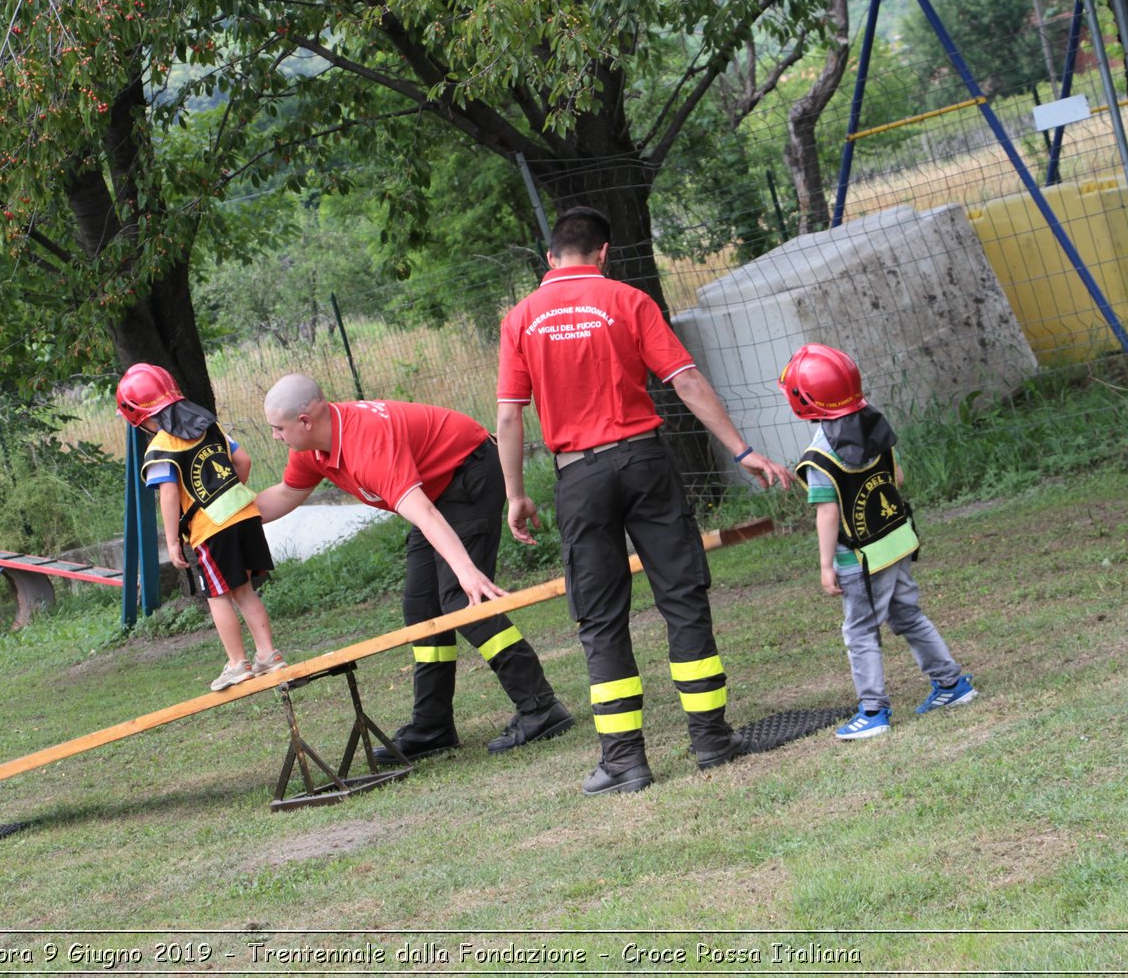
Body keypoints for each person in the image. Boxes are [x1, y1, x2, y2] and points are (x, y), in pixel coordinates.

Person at [496, 205, 793, 796]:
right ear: (603, 253)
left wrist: (516, 495)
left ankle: (625, 762)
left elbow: (509, 416)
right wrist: (743, 451)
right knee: (681, 597)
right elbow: (684, 380)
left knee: (601, 619)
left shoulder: (521, 319)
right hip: (644, 462)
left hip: (578, 476)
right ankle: (711, 739)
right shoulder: (628, 301)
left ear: (550, 258)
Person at [255, 374, 574, 764]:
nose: (275, 437)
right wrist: (222, 522)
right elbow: (285, 495)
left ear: (305, 421)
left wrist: (466, 571)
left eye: (278, 429)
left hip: (467, 473)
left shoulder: (366, 443)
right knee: (422, 609)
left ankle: (541, 707)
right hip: (436, 491)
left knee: (461, 599)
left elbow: (421, 511)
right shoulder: (312, 448)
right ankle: (433, 727)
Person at [778, 343, 975, 740]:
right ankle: (952, 684)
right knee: (907, 615)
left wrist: (824, 564)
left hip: (861, 561)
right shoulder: (875, 427)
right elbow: (897, 480)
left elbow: (827, 513)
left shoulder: (819, 458)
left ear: (804, 401)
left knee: (861, 631)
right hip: (897, 543)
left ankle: (873, 711)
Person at [117, 363, 286, 692]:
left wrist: (171, 541)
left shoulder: (161, 447)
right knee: (244, 590)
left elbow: (168, 496)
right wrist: (232, 496)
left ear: (139, 416)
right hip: (245, 515)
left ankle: (238, 663)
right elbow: (244, 461)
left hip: (211, 529)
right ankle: (268, 655)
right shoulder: (210, 427)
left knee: (218, 595)